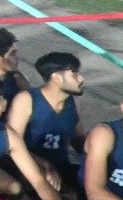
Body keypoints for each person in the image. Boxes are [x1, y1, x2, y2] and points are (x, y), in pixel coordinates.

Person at [5, 51, 83, 190]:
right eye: (74, 74)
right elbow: (12, 145)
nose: (81, 78)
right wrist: (45, 165)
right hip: (30, 170)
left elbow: (78, 140)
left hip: (61, 168)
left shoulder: (71, 102)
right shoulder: (26, 100)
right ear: (57, 77)